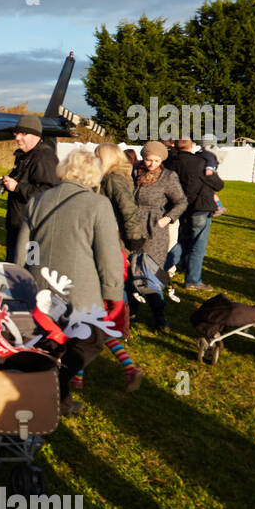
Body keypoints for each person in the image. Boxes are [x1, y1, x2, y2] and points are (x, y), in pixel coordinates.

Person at [16, 149, 124, 413]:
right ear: (93, 174)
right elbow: (109, 256)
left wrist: (26, 276)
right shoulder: (99, 205)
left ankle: (58, 398)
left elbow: (26, 248)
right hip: (80, 291)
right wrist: (114, 294)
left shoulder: (38, 200)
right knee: (91, 340)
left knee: (51, 342)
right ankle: (54, 383)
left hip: (40, 285)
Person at [73, 144, 145, 392]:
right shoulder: (109, 179)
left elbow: (128, 211)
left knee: (89, 313)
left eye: (97, 156)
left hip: (108, 252)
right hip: (104, 249)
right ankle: (85, 374)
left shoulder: (114, 179)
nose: (94, 159)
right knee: (95, 315)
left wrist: (134, 239)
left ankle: (84, 373)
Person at [131, 141, 187, 332]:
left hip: (154, 230)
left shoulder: (168, 177)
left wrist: (167, 218)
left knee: (148, 272)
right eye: (148, 159)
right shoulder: (134, 172)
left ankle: (160, 316)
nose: (151, 164)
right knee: (130, 270)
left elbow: (181, 202)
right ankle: (131, 311)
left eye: (156, 160)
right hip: (130, 227)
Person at [164, 137, 224, 290]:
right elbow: (218, 184)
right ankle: (193, 280)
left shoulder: (170, 163)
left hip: (181, 207)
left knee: (183, 242)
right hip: (199, 206)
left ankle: (160, 269)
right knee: (197, 245)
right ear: (191, 146)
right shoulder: (200, 162)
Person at [1, 114, 58, 264]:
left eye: (23, 133)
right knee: (14, 266)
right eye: (17, 133)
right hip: (17, 224)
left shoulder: (44, 158)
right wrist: (7, 183)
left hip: (32, 229)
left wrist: (17, 187)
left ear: (36, 135)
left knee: (29, 269)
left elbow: (49, 193)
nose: (17, 138)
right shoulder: (23, 156)